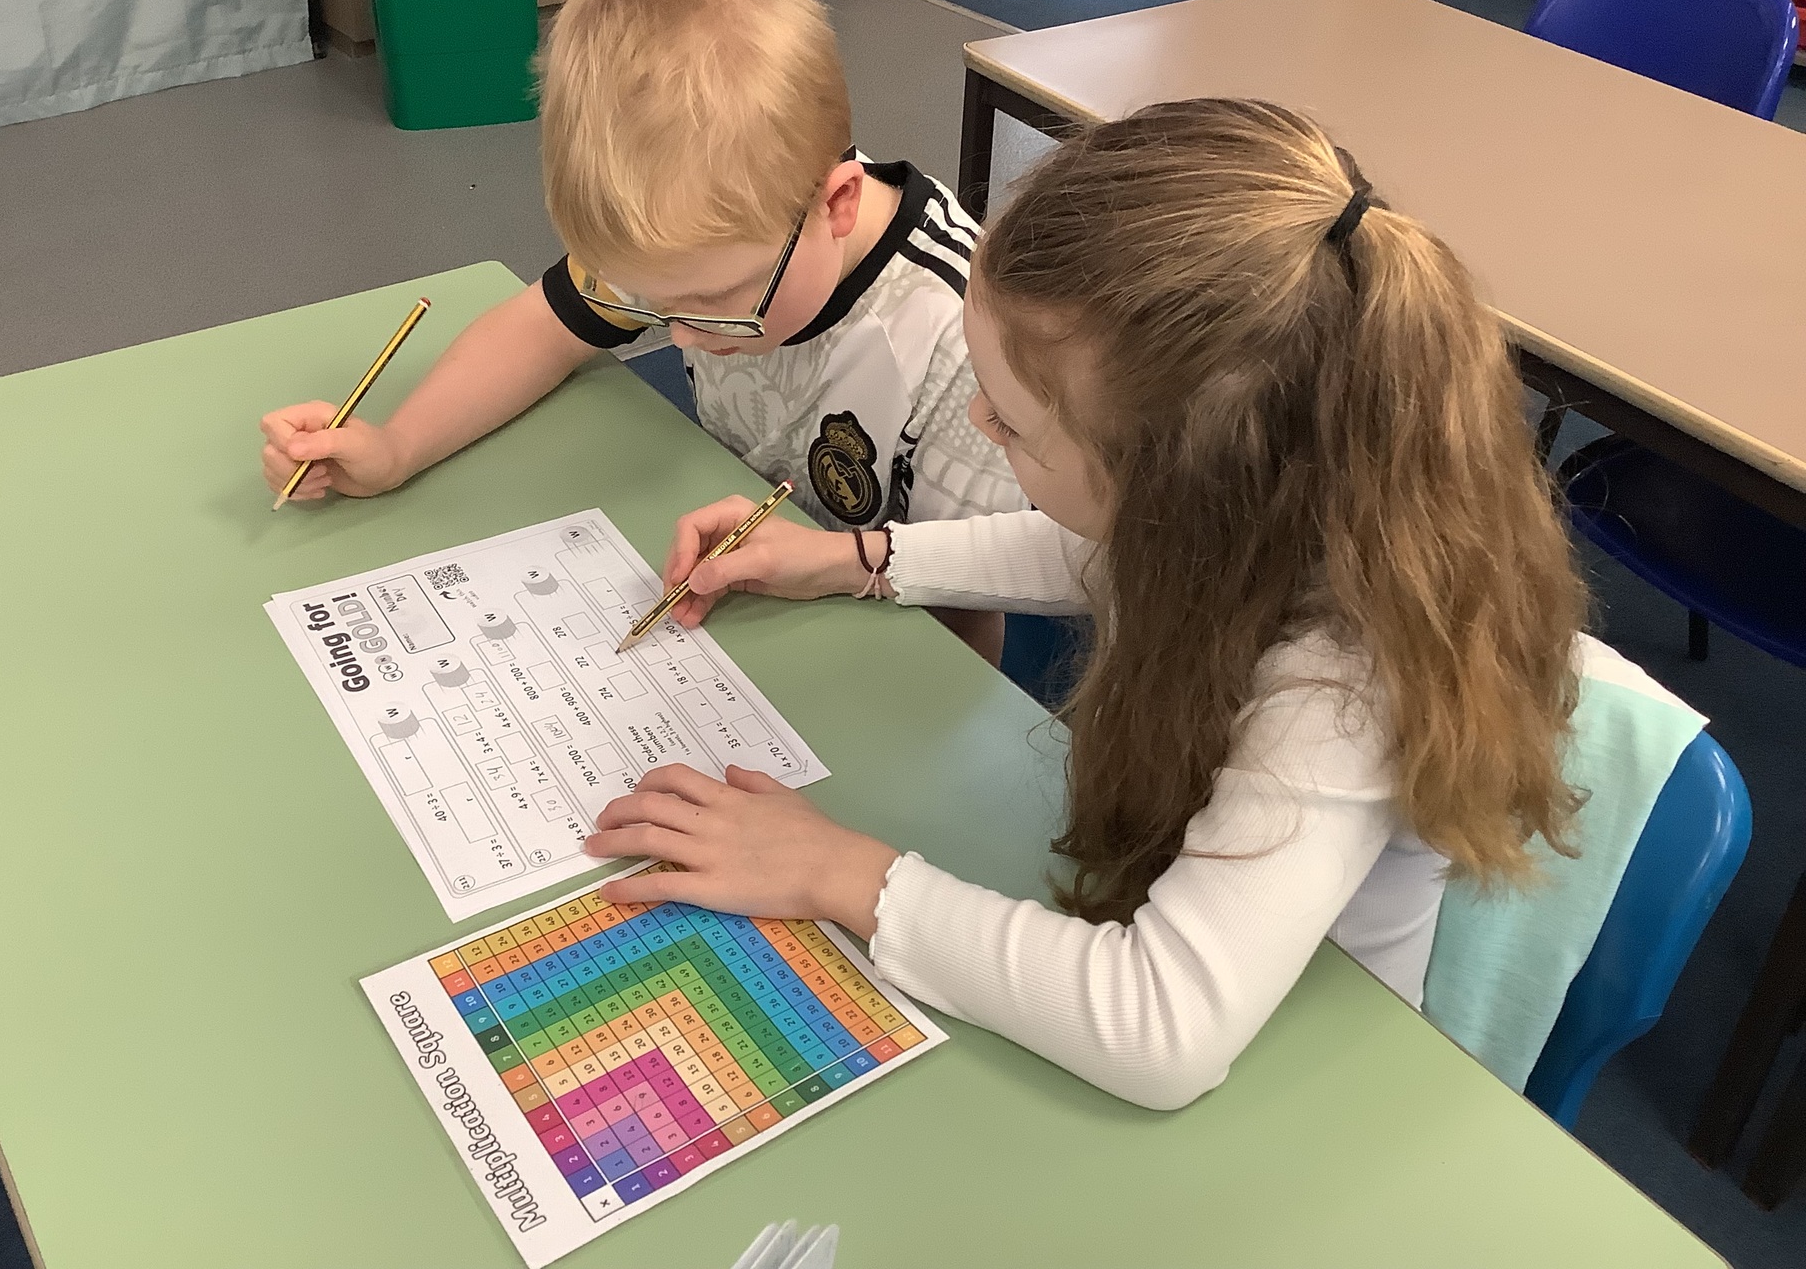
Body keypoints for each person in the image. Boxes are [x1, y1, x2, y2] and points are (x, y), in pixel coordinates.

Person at [581, 99, 1588, 1110]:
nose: (978, 420)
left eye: (1013, 426)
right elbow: (1085, 553)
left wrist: (839, 872)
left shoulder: (1342, 682)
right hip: (1199, 917)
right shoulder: (1267, 510)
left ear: (1172, 490)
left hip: (1300, 1071)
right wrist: (854, 558)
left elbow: (1159, 1031)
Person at [258, 0, 1022, 656]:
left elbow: (971, 593)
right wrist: (396, 449)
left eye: (712, 302)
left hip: (871, 634)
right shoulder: (696, 249)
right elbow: (543, 326)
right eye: (656, 307)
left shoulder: (967, 343)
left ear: (838, 203)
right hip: (749, 579)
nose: (680, 337)